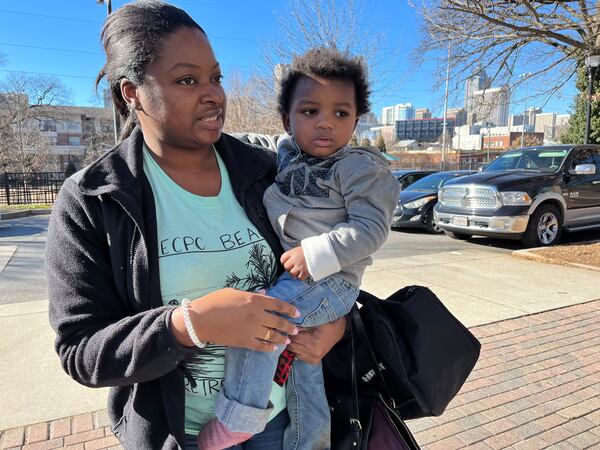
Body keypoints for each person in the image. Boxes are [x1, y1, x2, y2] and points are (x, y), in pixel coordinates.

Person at [46, 2, 347, 449]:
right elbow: (81, 350)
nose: (214, 95)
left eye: (216, 78)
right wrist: (188, 325)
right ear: (133, 93)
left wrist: (335, 326)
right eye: (187, 80)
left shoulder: (268, 173)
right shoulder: (94, 198)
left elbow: (333, 262)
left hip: (286, 420)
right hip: (181, 433)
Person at [199, 48, 400, 450]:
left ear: (356, 119)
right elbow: (246, 141)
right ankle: (310, 443)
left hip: (332, 281)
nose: (325, 122)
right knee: (303, 366)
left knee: (262, 319)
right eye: (309, 112)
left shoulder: (360, 167)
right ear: (287, 119)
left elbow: (371, 228)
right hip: (300, 282)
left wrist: (316, 252)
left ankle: (241, 415)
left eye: (341, 114)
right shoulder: (289, 153)